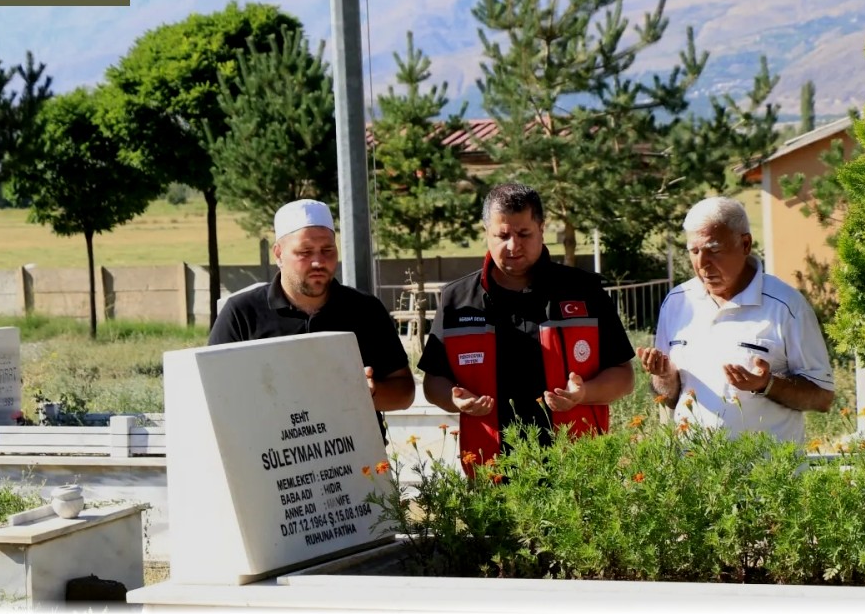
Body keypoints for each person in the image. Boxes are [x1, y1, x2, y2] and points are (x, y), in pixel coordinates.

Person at [418, 183, 635, 476]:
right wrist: (454, 399)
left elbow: (624, 376)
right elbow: (434, 381)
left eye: (523, 234)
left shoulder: (584, 291)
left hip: (577, 472)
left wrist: (584, 394)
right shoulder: (457, 300)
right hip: (491, 468)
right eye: (502, 235)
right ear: (486, 233)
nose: (513, 245)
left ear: (541, 229)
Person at [209, 199, 415, 439]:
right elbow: (212, 393)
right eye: (305, 252)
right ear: (278, 253)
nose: (318, 262)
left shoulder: (365, 309)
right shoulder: (243, 312)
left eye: (327, 250)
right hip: (272, 461)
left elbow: (404, 392)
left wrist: (365, 393)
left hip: (355, 461)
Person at [636, 196, 834, 442]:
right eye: (694, 251)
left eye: (714, 250)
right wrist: (664, 375)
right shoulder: (677, 302)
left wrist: (767, 384)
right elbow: (669, 397)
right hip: (694, 472)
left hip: (767, 473)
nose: (702, 264)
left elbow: (823, 397)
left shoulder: (787, 305)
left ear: (745, 244)